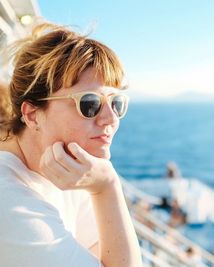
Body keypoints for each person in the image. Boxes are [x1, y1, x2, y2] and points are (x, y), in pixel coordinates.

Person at [0, 23, 142, 267]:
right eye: (89, 103)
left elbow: (106, 254)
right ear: (33, 114)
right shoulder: (8, 200)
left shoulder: (70, 169)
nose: (111, 118)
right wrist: (107, 186)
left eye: (116, 103)